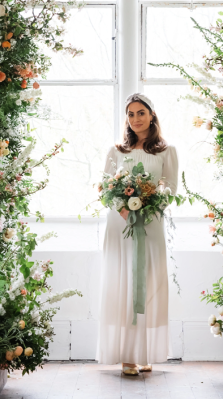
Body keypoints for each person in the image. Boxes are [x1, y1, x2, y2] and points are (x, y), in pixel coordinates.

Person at [96, 93, 179, 375]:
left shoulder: (167, 151)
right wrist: (123, 210)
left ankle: (143, 352)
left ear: (152, 115)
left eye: (141, 112)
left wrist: (148, 209)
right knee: (122, 283)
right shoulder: (116, 151)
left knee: (149, 283)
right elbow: (105, 189)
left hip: (151, 224)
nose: (135, 119)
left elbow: (169, 190)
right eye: (130, 114)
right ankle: (126, 356)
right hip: (120, 225)